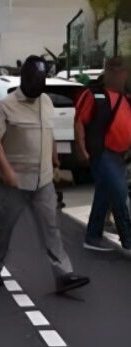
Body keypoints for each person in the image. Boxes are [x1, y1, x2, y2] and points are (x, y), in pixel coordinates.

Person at [0, 55, 90, 294]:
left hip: (43, 181)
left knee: (51, 227)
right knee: (4, 227)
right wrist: (6, 171)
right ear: (24, 80)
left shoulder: (46, 102)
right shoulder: (5, 105)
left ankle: (64, 275)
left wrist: (54, 159)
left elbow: (48, 132)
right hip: (15, 182)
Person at [75, 56, 131, 252]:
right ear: (109, 73)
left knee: (105, 195)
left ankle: (92, 236)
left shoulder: (125, 97)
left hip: (120, 155)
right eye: (116, 71)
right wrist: (82, 149)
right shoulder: (94, 95)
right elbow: (80, 122)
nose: (120, 76)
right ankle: (128, 240)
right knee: (120, 194)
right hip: (103, 152)